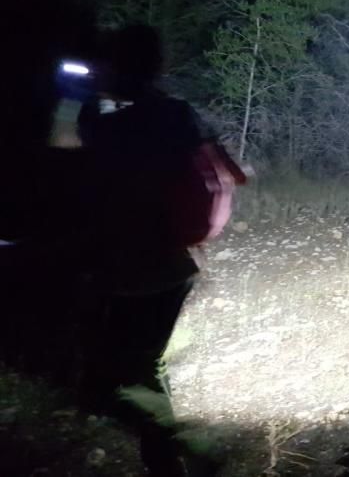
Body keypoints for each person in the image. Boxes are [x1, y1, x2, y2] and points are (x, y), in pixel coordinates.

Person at [74, 25, 220, 476]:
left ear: (118, 67)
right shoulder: (176, 113)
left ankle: (178, 444)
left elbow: (71, 161)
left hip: (128, 266)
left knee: (105, 382)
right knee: (145, 366)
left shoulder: (102, 122)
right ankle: (168, 462)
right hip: (175, 263)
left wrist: (77, 96)